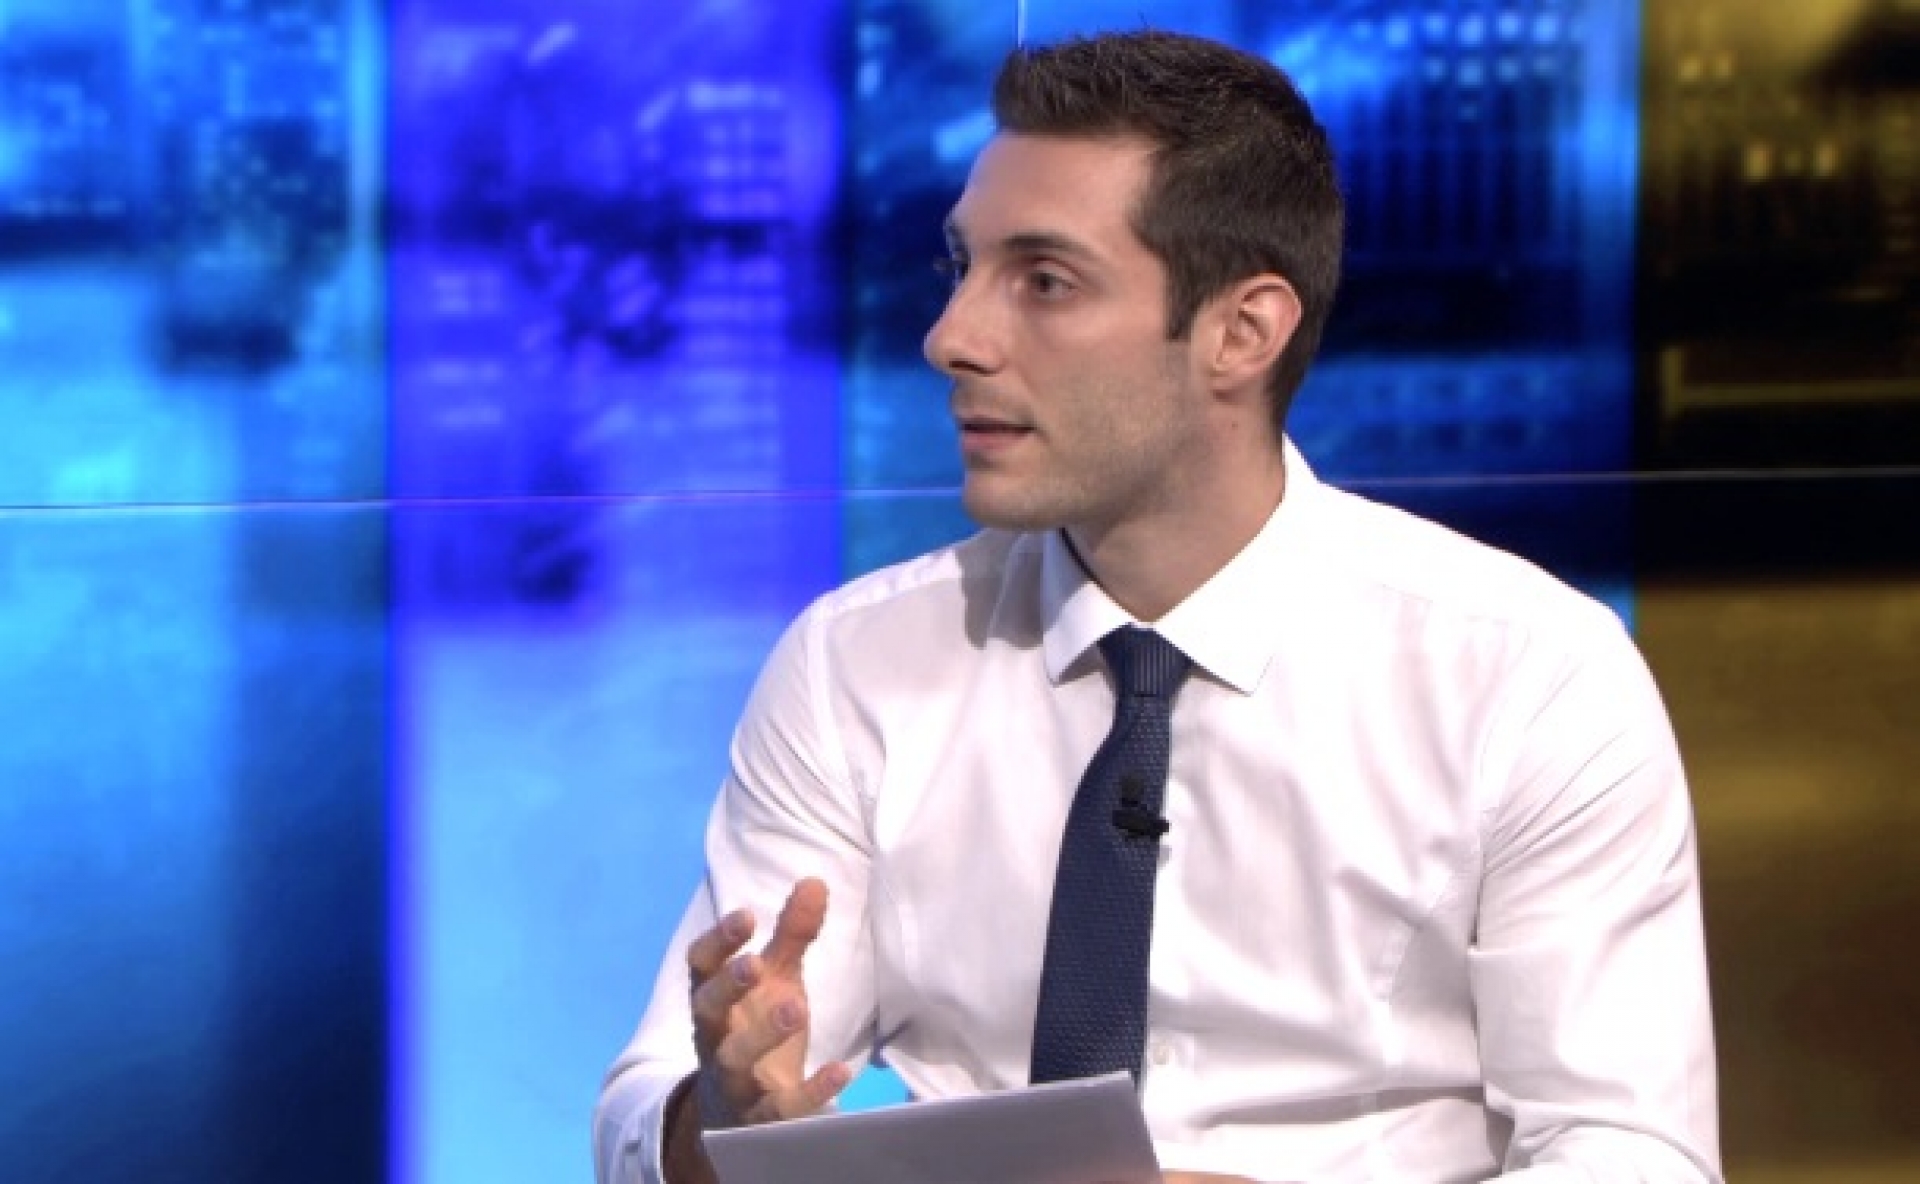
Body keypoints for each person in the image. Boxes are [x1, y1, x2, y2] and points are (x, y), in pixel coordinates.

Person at [594, 29, 1721, 1184]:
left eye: (1045, 281)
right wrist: (725, 1120)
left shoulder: (1529, 677)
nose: (952, 338)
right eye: (961, 267)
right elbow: (646, 1112)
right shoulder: (856, 662)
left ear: (1243, 331)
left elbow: (1637, 1158)